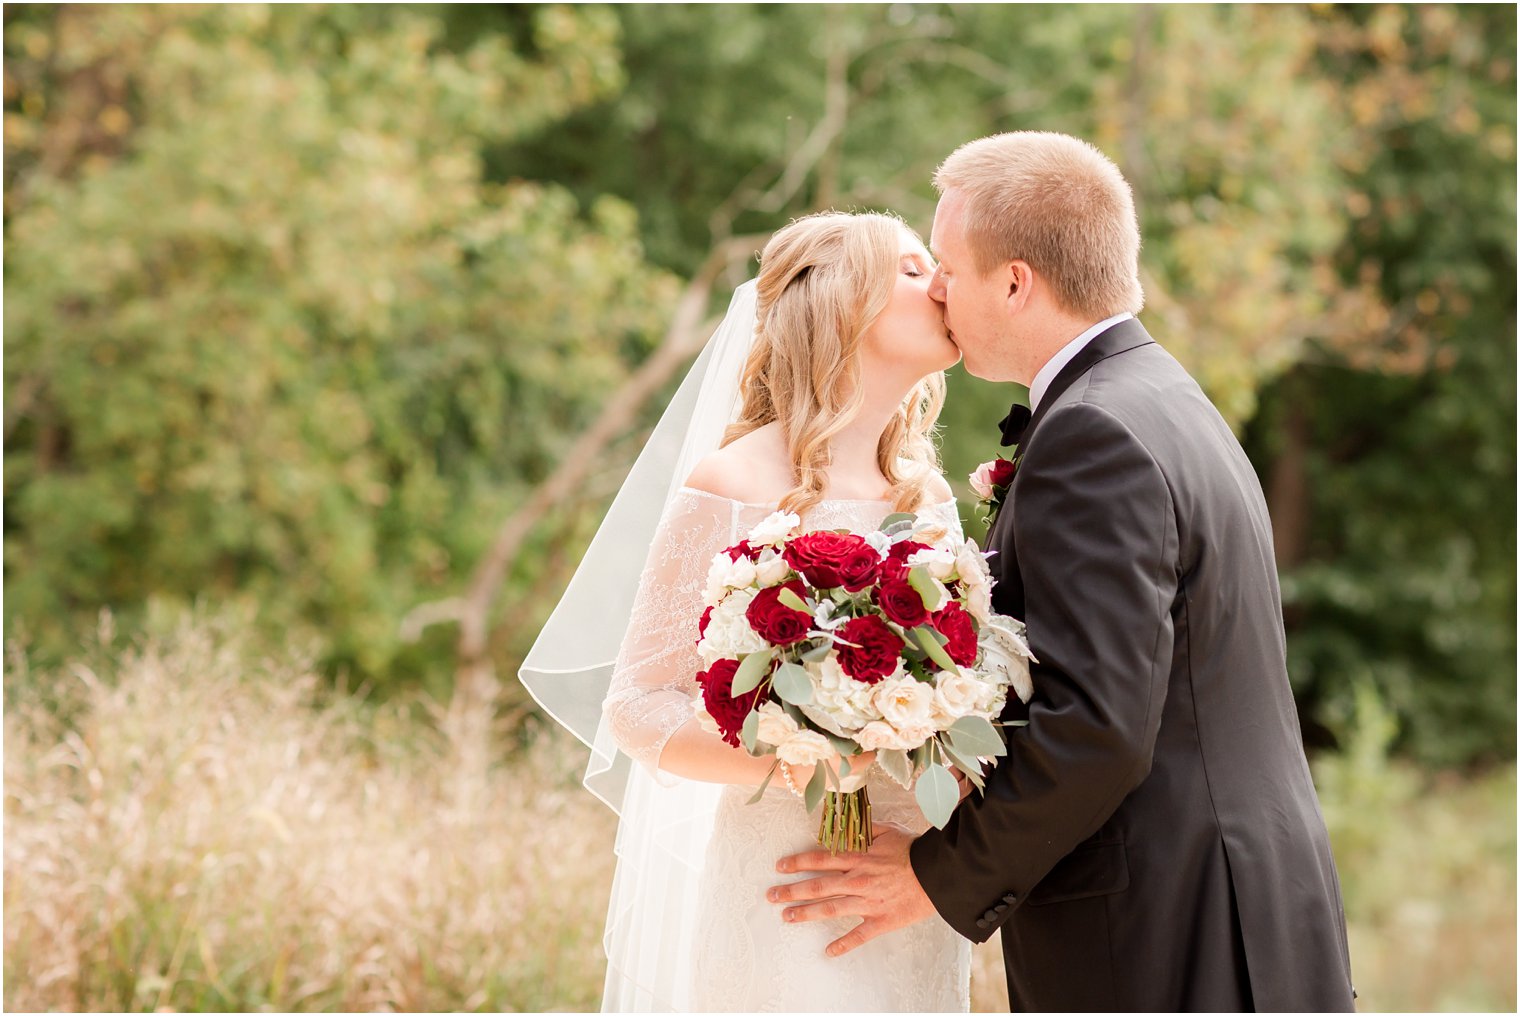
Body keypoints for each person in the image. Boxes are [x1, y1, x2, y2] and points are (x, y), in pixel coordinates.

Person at [769, 132, 1357, 1012]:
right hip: (1236, 898)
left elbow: (1098, 726)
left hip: (1166, 931)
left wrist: (935, 875)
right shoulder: (1159, 396)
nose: (938, 290)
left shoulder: (1096, 436)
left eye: (952, 272)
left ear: (1015, 282)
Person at [522, 210, 972, 1012]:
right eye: (910, 268)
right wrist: (802, 754)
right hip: (781, 880)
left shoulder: (929, 500)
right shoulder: (732, 484)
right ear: (843, 305)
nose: (940, 282)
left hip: (906, 878)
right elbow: (636, 706)